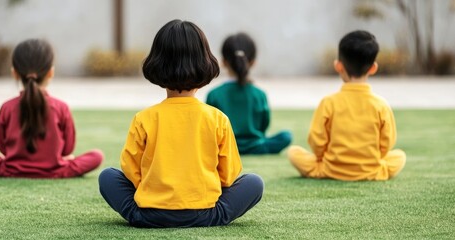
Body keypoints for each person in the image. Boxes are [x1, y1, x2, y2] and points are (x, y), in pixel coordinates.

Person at [98, 20, 264, 228]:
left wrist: (158, 193)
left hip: (150, 214)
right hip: (206, 214)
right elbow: (228, 175)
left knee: (107, 176)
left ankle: (140, 214)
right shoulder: (218, 119)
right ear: (206, 63)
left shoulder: (143, 119)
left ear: (156, 64)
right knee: (254, 183)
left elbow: (131, 171)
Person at [287, 30, 406, 181]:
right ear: (373, 68)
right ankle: (374, 169)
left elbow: (317, 142)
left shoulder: (328, 102)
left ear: (338, 66)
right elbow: (387, 143)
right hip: (371, 169)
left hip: (330, 169)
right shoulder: (381, 105)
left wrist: (321, 158)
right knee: (399, 156)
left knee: (293, 152)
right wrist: (373, 159)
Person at [0, 39, 103, 178]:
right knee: (97, 156)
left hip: (11, 170)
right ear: (51, 72)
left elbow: (2, 147)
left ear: (15, 73)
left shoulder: (7, 108)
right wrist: (64, 159)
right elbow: (68, 149)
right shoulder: (61, 108)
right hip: (56, 171)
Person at [206, 33, 292, 155]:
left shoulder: (214, 94)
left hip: (224, 148)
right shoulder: (259, 94)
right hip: (256, 146)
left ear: (224, 62)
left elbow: (210, 127)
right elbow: (263, 125)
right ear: (253, 62)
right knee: (286, 136)